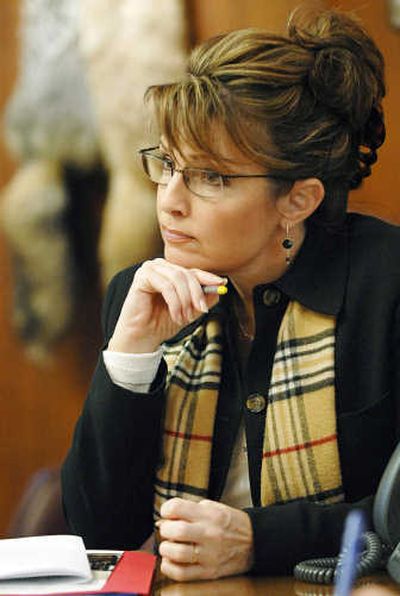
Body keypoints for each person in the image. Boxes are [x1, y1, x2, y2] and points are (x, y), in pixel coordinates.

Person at [61, 8, 400, 582]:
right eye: (167, 165)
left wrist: (258, 541)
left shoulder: (384, 284)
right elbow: (96, 538)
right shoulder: (141, 295)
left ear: (298, 199)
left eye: (210, 178)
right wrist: (129, 358)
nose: (169, 201)